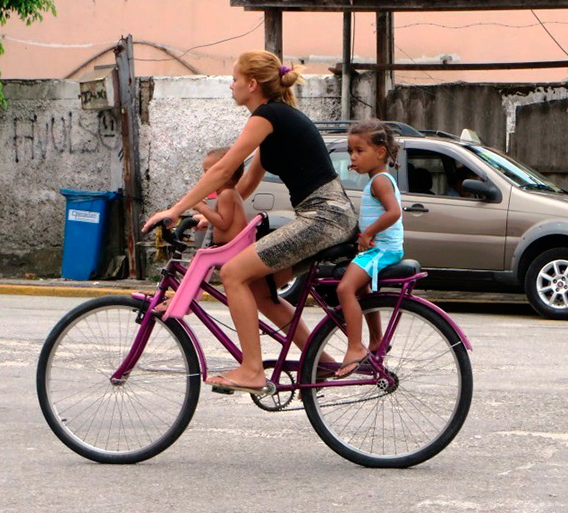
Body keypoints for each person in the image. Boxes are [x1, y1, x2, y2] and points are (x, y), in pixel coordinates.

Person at [142, 50, 358, 394]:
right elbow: (243, 185)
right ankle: (323, 362)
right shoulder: (276, 119)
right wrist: (202, 214)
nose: (231, 86)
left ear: (252, 84)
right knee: (260, 289)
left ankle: (252, 370)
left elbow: (224, 169)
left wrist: (175, 208)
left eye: (235, 79)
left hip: (324, 216)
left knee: (232, 273)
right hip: (327, 216)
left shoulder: (267, 115)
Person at [335, 120, 404, 377]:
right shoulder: (377, 180)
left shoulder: (380, 182)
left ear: (380, 152)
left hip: (382, 250)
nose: (353, 157)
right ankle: (376, 340)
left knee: (345, 288)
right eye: (350, 151)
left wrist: (369, 233)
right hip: (382, 249)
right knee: (361, 289)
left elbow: (394, 212)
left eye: (359, 151)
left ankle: (355, 347)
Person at [155, 147, 246, 312]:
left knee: (199, 260)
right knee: (200, 260)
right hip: (229, 246)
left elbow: (224, 223)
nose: (205, 178)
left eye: (209, 172)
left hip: (231, 248)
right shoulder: (228, 193)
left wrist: (201, 208)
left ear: (226, 173)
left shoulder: (227, 194)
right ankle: (186, 298)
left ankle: (183, 300)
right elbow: (225, 220)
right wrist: (205, 220)